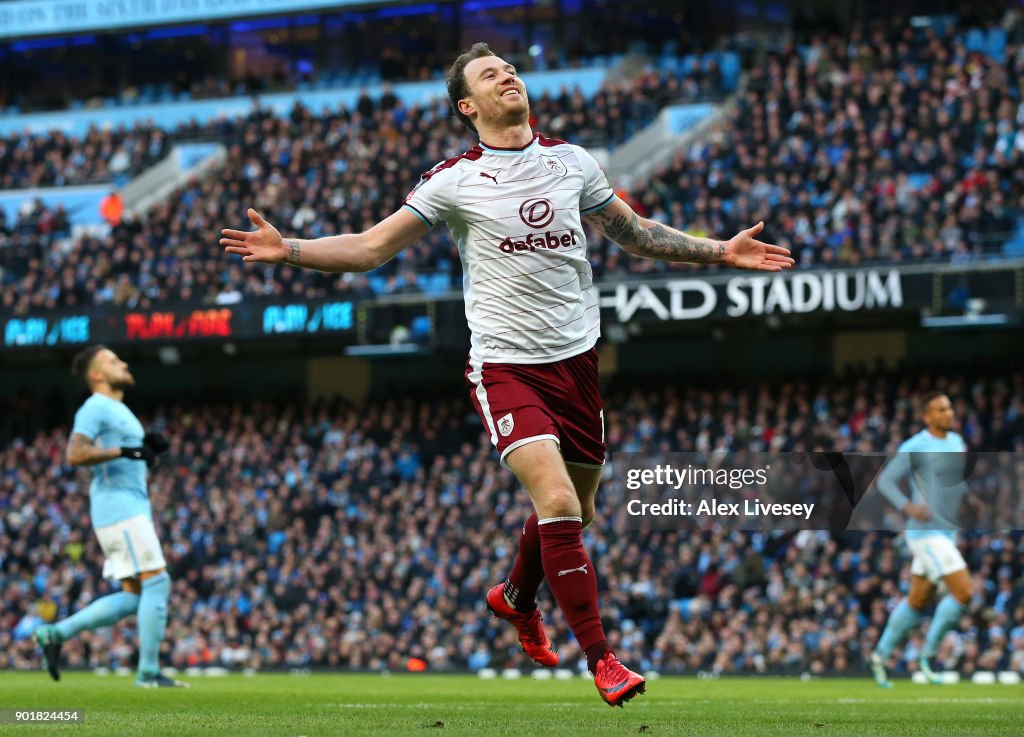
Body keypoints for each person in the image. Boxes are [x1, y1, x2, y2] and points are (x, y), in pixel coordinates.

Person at [219, 42, 793, 706]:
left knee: (580, 510)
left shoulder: (573, 161)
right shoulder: (455, 179)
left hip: (577, 362)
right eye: (491, 74)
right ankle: (603, 660)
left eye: (510, 69)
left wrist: (722, 250)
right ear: (469, 105)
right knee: (557, 504)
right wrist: (288, 248)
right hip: (505, 366)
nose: (508, 76)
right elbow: (371, 247)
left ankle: (516, 595)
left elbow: (634, 234)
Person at [34, 345, 187, 689]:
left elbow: (123, 455)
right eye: (113, 361)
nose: (124, 363)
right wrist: (128, 450)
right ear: (96, 375)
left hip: (124, 507)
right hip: (120, 508)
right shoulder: (95, 407)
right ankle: (148, 673)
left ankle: (56, 633)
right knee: (158, 583)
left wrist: (145, 451)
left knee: (136, 596)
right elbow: (75, 453)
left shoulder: (120, 410)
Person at [869, 392, 973, 687]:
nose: (948, 413)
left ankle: (879, 656)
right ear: (927, 417)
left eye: (950, 407)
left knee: (917, 600)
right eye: (940, 409)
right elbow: (886, 480)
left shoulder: (956, 442)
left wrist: (971, 501)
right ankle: (927, 656)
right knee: (964, 591)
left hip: (947, 532)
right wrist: (908, 507)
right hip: (924, 533)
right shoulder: (916, 445)